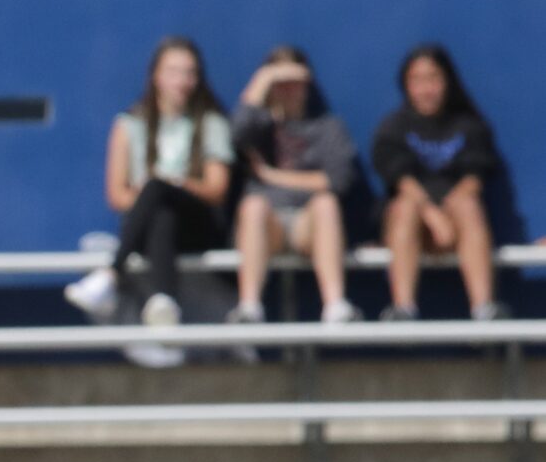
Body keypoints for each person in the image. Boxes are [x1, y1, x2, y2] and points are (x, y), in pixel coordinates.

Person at [66, 36, 234, 335]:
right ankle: (163, 301)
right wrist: (159, 192)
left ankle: (110, 275)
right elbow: (117, 196)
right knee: (161, 209)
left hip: (197, 228)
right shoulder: (129, 124)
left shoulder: (212, 123)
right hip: (151, 231)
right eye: (173, 71)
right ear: (155, 75)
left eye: (189, 72)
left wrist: (175, 184)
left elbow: (216, 189)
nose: (182, 81)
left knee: (158, 189)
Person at [372, 44, 505, 321]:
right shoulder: (393, 127)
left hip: (458, 223)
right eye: (417, 80)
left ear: (447, 81)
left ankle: (484, 308)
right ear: (406, 84)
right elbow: (400, 180)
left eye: (433, 78)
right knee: (405, 206)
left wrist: (449, 213)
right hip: (412, 224)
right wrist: (433, 215)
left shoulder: (469, 126)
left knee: (468, 205)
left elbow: (474, 178)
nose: (425, 88)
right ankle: (403, 308)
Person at [228, 47, 360, 326]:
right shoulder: (257, 126)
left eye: (294, 82)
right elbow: (235, 135)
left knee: (325, 203)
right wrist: (264, 79)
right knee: (252, 207)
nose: (288, 89)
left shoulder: (328, 127)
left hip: (308, 226)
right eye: (280, 83)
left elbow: (338, 180)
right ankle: (249, 307)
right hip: (267, 226)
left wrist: (271, 176)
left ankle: (336, 306)